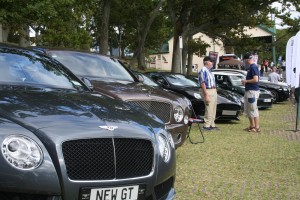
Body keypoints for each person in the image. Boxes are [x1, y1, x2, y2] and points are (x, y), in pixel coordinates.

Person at [198, 56, 219, 131]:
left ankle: (212, 124)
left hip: (213, 90)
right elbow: (202, 82)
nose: (212, 63)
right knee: (209, 108)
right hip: (207, 90)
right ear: (206, 62)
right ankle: (206, 125)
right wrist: (206, 94)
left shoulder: (210, 71)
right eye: (211, 61)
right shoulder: (203, 70)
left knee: (213, 108)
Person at [241, 53, 260, 132]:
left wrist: (246, 81)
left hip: (252, 91)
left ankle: (256, 127)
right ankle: (252, 125)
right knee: (248, 109)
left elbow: (256, 79)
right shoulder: (251, 67)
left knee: (253, 109)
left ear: (247, 60)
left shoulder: (253, 67)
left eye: (244, 60)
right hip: (248, 90)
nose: (244, 62)